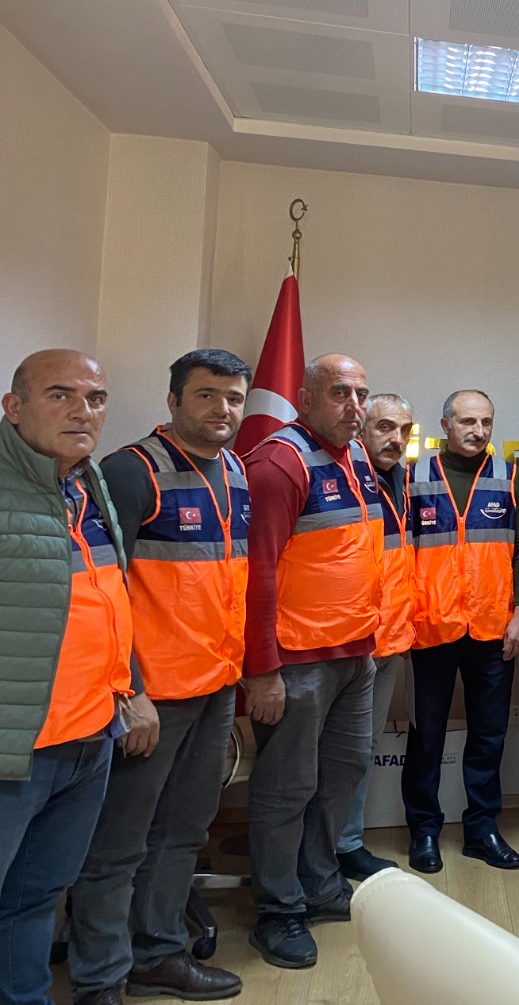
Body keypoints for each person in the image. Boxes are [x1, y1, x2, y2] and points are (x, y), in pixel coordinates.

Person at [68, 350, 253, 1004]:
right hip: (152, 698)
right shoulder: (130, 470)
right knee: (118, 845)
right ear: (173, 400)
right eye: (206, 395)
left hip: (215, 686)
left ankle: (157, 953)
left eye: (234, 397)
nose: (222, 409)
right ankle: (99, 979)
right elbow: (104, 589)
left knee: (183, 833)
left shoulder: (235, 469)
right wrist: (132, 691)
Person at [0, 350, 145, 1005]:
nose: (82, 411)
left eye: (95, 398)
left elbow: (109, 598)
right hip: (16, 752)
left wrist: (129, 690)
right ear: (14, 407)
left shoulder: (87, 485)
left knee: (33, 899)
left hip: (88, 739)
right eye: (60, 395)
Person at [241, 354, 381, 970]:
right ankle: (277, 909)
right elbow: (257, 574)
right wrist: (263, 669)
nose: (354, 406)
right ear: (304, 397)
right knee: (286, 789)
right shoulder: (280, 463)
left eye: (361, 394)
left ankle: (320, 885)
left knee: (342, 775)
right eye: (339, 392)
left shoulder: (355, 457)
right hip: (297, 662)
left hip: (355, 655)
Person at [404, 390, 519, 874]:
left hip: (492, 626)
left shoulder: (509, 476)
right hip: (431, 626)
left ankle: (482, 829)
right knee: (426, 735)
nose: (478, 431)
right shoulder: (413, 477)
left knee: (489, 734)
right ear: (445, 425)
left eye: (486, 422)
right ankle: (424, 830)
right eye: (467, 422)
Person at [336, 393, 415, 881]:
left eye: (405, 430)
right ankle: (319, 851)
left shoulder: (401, 478)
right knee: (339, 755)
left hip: (390, 639)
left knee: (363, 750)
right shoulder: (345, 476)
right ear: (361, 426)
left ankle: (345, 844)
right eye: (385, 427)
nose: (397, 439)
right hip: (351, 643)